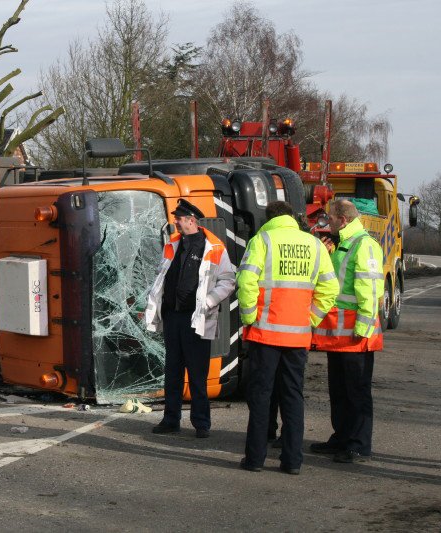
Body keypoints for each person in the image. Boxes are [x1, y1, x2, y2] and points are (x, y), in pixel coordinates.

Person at [237, 201, 339, 474]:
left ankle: (255, 459)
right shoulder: (314, 245)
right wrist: (311, 318)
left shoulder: (263, 240)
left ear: (269, 218)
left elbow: (246, 281)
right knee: (293, 397)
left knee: (261, 398)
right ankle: (292, 462)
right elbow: (330, 288)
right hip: (297, 337)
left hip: (264, 334)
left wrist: (249, 317)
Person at [144, 198, 236, 438]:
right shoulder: (173, 244)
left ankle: (201, 423)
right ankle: (171, 419)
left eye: (179, 218)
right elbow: (161, 277)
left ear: (191, 220)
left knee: (197, 374)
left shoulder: (213, 247)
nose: (175, 221)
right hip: (173, 317)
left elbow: (227, 281)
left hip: (197, 319)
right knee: (173, 371)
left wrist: (208, 301)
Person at [310, 199, 384, 464]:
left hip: (356, 337)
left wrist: (363, 329)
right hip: (340, 337)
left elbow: (371, 290)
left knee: (357, 392)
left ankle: (358, 444)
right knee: (339, 390)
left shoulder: (364, 245)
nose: (326, 222)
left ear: (342, 220)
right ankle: (341, 437)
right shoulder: (342, 244)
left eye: (330, 218)